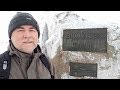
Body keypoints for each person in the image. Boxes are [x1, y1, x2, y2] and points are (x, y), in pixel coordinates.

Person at [0, 12, 56, 79]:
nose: (27, 35)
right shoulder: (1, 64)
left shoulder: (47, 63)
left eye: (31, 30)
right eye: (20, 30)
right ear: (11, 37)